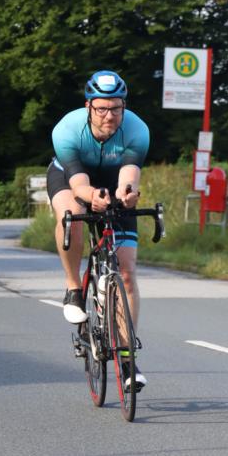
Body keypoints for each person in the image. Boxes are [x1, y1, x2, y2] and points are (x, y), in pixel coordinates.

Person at [47, 70, 150, 391]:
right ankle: (73, 287)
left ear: (124, 106)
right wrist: (93, 198)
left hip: (112, 179)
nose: (109, 116)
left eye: (116, 108)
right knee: (72, 213)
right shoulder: (66, 129)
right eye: (102, 109)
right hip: (71, 178)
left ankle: (128, 359)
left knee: (128, 272)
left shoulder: (137, 129)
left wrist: (127, 193)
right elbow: (78, 184)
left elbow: (129, 173)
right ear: (88, 106)